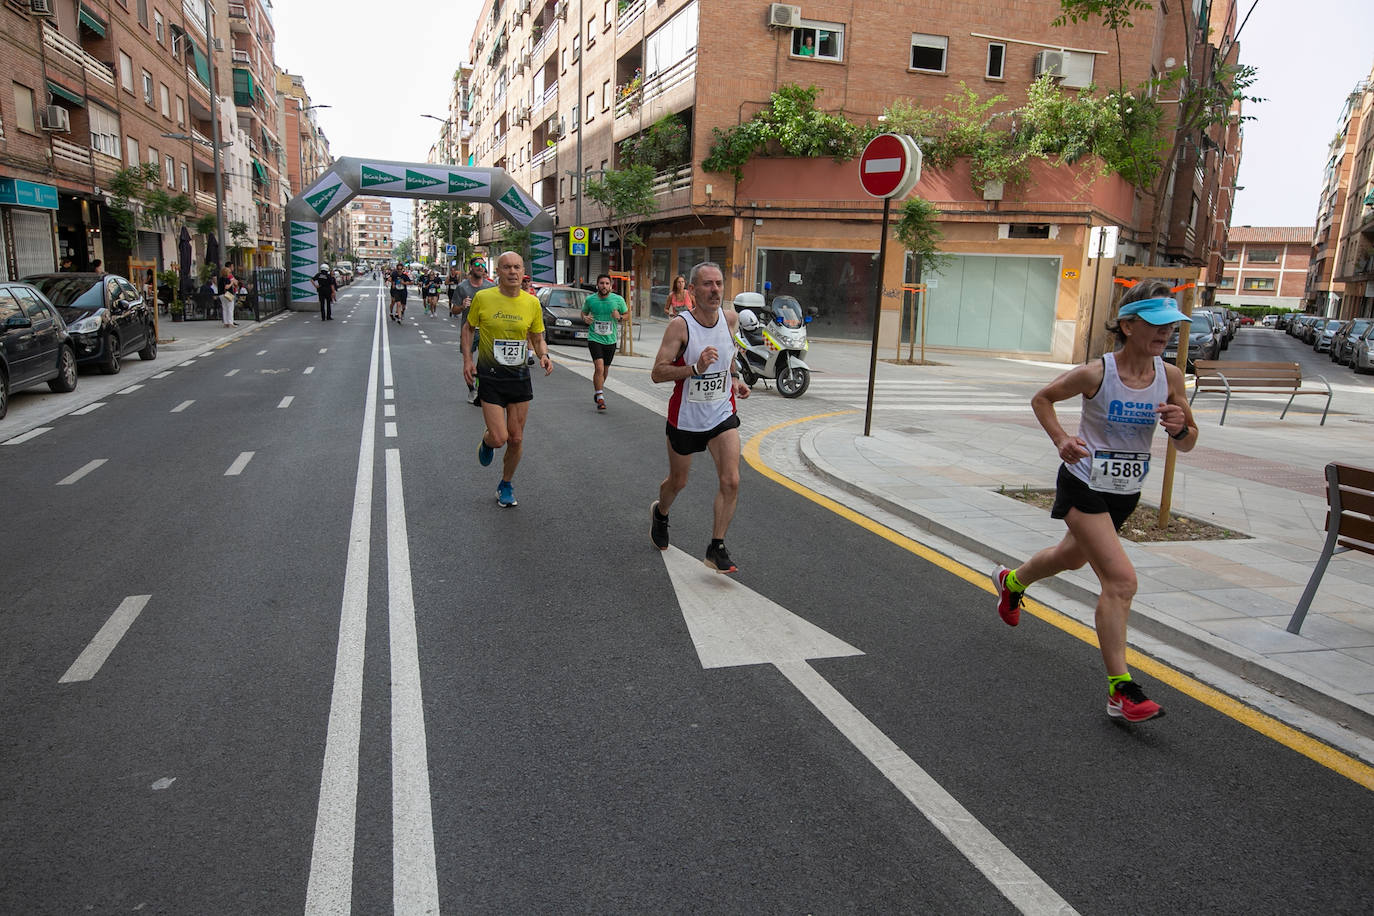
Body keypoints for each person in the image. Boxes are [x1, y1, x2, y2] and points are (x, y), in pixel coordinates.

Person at [992, 280, 1198, 724]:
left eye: (1172, 326)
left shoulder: (1171, 377)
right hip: (1083, 483)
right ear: (1127, 324)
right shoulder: (1096, 373)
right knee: (1120, 581)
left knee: (1070, 558)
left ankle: (1012, 583)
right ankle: (1120, 690)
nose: (1166, 334)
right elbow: (1042, 398)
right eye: (1157, 324)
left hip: (1125, 492)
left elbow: (1188, 444)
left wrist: (1181, 428)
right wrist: (1063, 438)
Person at [649, 261, 750, 573]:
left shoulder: (729, 319)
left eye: (718, 283)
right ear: (691, 290)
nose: (715, 290)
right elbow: (657, 373)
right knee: (678, 481)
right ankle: (661, 513)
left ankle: (716, 546)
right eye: (707, 284)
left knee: (731, 480)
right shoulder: (681, 326)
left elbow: (729, 354)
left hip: (722, 413)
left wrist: (735, 378)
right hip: (686, 417)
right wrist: (695, 369)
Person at [462, 250, 553, 508]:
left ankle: (506, 484)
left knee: (516, 439)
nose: (512, 272)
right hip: (490, 376)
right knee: (500, 438)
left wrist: (544, 354)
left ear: (522, 271)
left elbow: (537, 336)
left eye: (517, 267)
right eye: (507, 267)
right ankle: (488, 440)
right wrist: (467, 360)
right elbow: (468, 328)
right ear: (498, 272)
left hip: (519, 377)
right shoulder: (483, 298)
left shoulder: (531, 303)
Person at [581, 273, 629, 411]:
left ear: (611, 285)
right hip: (594, 338)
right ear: (597, 285)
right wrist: (585, 318)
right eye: (601, 283)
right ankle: (600, 396)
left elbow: (627, 315)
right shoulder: (590, 300)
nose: (604, 286)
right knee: (599, 368)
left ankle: (598, 390)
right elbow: (583, 313)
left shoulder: (618, 299)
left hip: (611, 339)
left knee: (605, 370)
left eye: (607, 283)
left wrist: (619, 316)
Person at [455, 259, 496, 404]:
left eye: (483, 265)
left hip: (486, 331)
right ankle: (472, 390)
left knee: (486, 363)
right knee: (468, 362)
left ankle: (483, 390)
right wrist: (462, 306)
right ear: (471, 267)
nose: (480, 267)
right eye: (477, 265)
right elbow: (453, 310)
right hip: (469, 330)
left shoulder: (491, 287)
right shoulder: (462, 287)